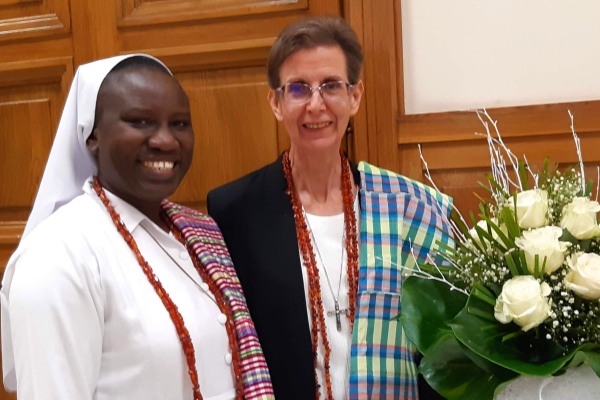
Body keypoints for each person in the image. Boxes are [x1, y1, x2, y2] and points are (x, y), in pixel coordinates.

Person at [0, 54, 274, 400]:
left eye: (179, 123)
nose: (165, 141)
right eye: (140, 121)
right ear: (92, 138)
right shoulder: (58, 255)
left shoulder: (196, 233)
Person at [207, 15, 452, 400]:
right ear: (276, 101)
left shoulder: (407, 207)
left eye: (331, 86)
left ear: (355, 96)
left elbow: (441, 348)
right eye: (299, 88)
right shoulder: (234, 211)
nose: (316, 104)